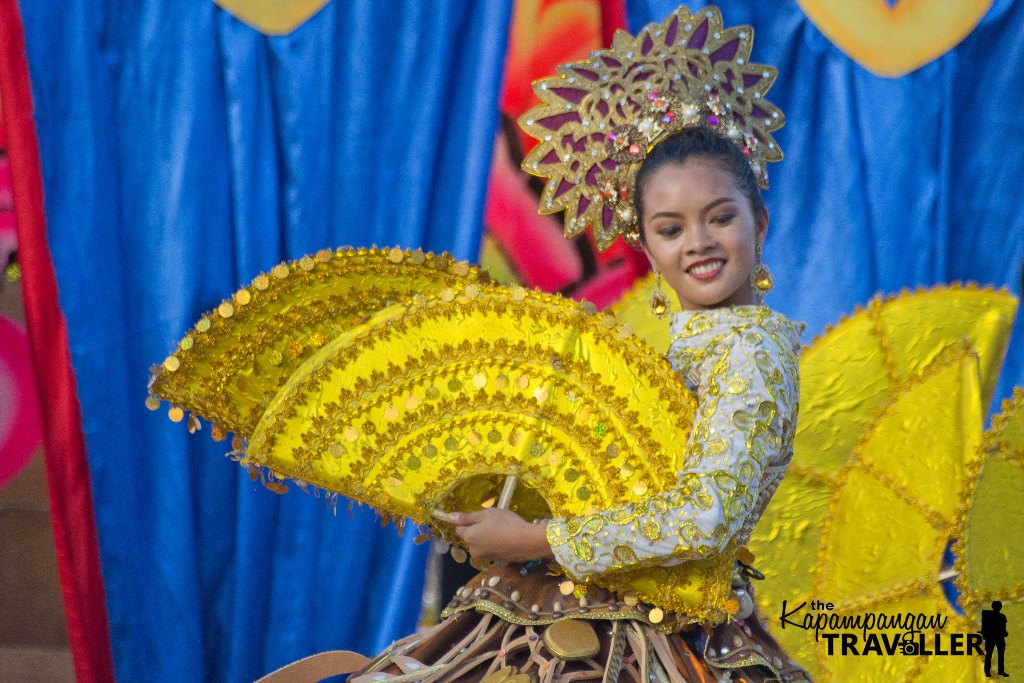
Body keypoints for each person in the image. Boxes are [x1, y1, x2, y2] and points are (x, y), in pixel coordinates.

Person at [347, 7, 811, 681]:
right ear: (647, 244)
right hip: (618, 604)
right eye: (671, 227)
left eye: (720, 218)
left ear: (759, 223)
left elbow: (705, 516)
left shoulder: (753, 354)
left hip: (678, 633)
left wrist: (536, 538)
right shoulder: (680, 345)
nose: (699, 243)